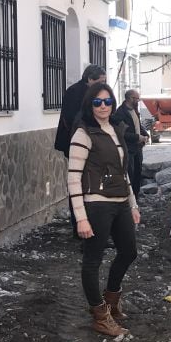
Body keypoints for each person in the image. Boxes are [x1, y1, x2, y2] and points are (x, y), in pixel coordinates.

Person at [68, 82, 140, 337]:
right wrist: (81, 219)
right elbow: (73, 178)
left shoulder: (116, 129)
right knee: (92, 261)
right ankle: (99, 314)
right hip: (96, 205)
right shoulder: (83, 133)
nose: (103, 106)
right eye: (97, 102)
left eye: (107, 101)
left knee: (129, 251)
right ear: (90, 104)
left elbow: (123, 171)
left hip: (120, 202)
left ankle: (111, 300)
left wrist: (132, 203)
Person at [55, 65, 106, 238]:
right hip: (78, 143)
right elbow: (72, 119)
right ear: (90, 79)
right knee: (79, 185)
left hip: (89, 143)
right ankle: (80, 225)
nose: (103, 85)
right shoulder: (75, 92)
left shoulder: (90, 92)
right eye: (100, 81)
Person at [112, 89, 149, 199]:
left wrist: (145, 134)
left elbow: (137, 126)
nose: (138, 101)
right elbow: (122, 133)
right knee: (130, 175)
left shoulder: (134, 110)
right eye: (137, 99)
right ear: (130, 98)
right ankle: (130, 200)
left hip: (137, 148)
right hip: (128, 149)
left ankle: (136, 199)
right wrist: (138, 137)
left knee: (138, 174)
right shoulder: (120, 113)